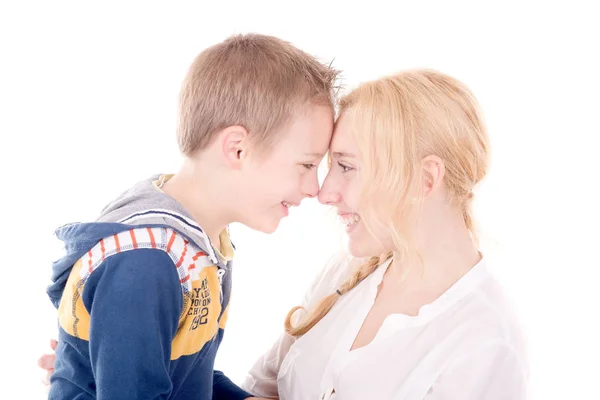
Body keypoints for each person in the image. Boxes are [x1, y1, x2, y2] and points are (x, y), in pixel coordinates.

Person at [43, 33, 338, 400]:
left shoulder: (198, 243)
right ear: (238, 148)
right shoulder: (146, 263)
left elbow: (181, 378)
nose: (315, 187)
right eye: (307, 164)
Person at [241, 70, 528, 399]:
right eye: (329, 166)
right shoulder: (346, 270)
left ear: (425, 179)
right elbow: (260, 388)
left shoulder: (486, 343)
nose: (324, 193)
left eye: (346, 167)